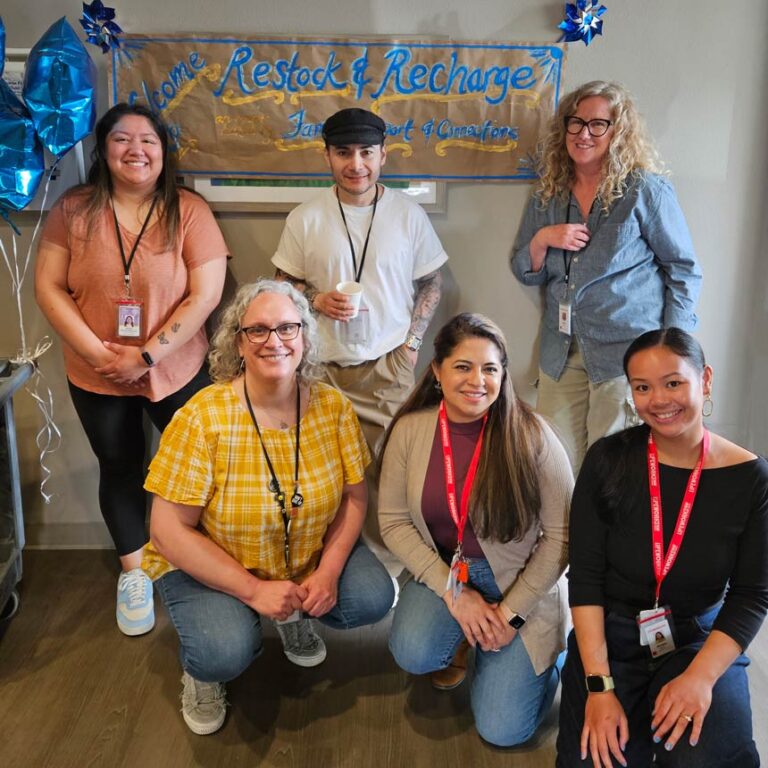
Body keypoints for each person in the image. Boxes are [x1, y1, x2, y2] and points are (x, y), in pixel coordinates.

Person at [143, 280, 395, 735]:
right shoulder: (203, 417)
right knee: (221, 651)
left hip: (301, 554)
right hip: (216, 561)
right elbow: (167, 530)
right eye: (257, 330)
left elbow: (356, 497)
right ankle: (205, 671)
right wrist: (252, 590)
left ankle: (291, 612)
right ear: (237, 342)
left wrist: (330, 570)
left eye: (287, 328)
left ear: (305, 337)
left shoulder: (333, 407)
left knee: (374, 597)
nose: (274, 341)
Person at [35, 103, 228, 637]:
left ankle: (211, 558)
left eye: (149, 140)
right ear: (103, 151)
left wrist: (145, 355)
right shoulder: (72, 210)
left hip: (178, 366)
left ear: (164, 153)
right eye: (122, 139)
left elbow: (206, 293)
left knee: (204, 466)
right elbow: (48, 287)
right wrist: (100, 356)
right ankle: (136, 572)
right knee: (119, 464)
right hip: (94, 371)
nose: (136, 150)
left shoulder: (189, 210)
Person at [557, 328, 767, 767]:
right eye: (642, 387)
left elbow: (751, 595)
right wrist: (599, 687)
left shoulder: (751, 479)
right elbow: (586, 580)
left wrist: (700, 678)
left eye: (674, 382)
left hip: (696, 639)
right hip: (611, 638)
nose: (659, 399)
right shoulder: (607, 459)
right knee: (596, 757)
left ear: (705, 380)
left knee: (706, 756)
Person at [378, 313, 573, 747]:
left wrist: (510, 615)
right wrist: (454, 594)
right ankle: (473, 640)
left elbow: (562, 538)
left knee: (503, 731)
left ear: (503, 374)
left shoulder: (533, 436)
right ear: (437, 370)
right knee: (414, 651)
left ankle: (544, 659)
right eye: (463, 366)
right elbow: (392, 522)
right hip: (450, 573)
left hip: (520, 582)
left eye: (490, 368)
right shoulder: (410, 431)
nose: (477, 381)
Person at [511, 81, 702, 474]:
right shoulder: (548, 193)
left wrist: (672, 349)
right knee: (553, 466)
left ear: (618, 131)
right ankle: (565, 538)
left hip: (624, 354)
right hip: (559, 353)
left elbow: (683, 270)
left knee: (610, 468)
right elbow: (523, 269)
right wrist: (543, 239)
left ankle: (604, 539)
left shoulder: (645, 191)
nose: (584, 134)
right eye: (576, 123)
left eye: (599, 124)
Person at [272, 107, 448, 452]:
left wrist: (411, 347)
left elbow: (431, 283)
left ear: (383, 155)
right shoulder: (304, 218)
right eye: (343, 153)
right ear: (327, 157)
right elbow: (282, 284)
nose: (356, 165)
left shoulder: (408, 215)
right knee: (321, 473)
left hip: (387, 367)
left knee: (387, 472)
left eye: (366, 152)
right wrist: (315, 300)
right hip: (319, 367)